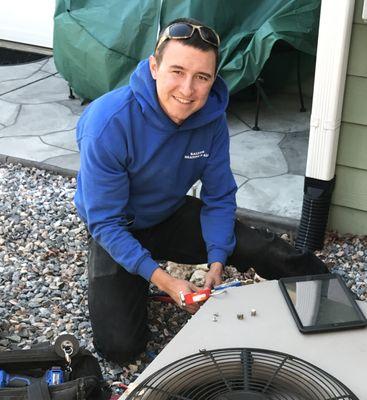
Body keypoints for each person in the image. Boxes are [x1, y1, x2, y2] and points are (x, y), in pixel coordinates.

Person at [74, 18, 328, 364]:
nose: (188, 90)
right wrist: (165, 281)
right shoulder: (108, 122)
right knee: (120, 347)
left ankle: (331, 297)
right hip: (119, 226)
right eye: (176, 71)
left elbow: (219, 197)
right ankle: (141, 280)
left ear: (213, 79)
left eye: (202, 77)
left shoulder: (210, 120)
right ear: (154, 66)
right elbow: (104, 222)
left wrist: (217, 259)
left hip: (168, 213)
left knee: (261, 246)